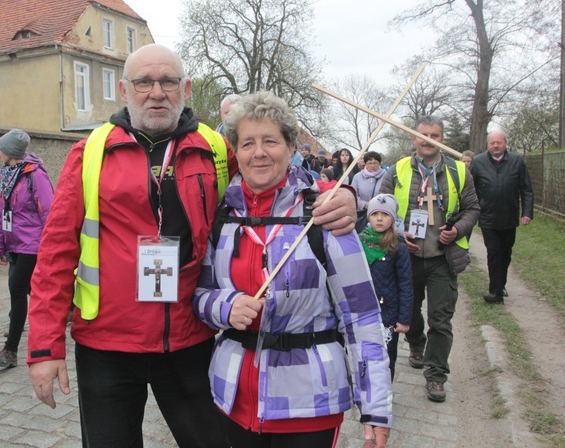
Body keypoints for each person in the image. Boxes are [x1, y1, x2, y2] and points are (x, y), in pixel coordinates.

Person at [26, 44, 358, 447]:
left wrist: (336, 193)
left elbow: (272, 178)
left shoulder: (215, 147)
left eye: (167, 81)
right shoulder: (90, 152)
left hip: (189, 339)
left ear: (185, 87)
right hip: (106, 345)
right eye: (144, 82)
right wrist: (45, 348)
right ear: (123, 89)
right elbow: (55, 253)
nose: (157, 92)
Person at [193, 91, 391, 447]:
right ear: (235, 151)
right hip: (233, 397)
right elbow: (200, 295)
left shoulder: (325, 213)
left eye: (270, 140)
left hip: (310, 403)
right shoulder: (222, 215)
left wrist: (375, 405)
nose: (259, 152)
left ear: (290, 145)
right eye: (248, 142)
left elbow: (362, 316)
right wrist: (225, 306)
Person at [379, 116, 479, 403]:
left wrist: (457, 229)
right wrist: (399, 231)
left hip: (442, 257)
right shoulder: (397, 170)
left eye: (434, 135)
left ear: (442, 139)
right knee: (409, 313)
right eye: (423, 135)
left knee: (441, 318)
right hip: (405, 257)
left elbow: (473, 208)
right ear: (414, 138)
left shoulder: (459, 171)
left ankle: (436, 376)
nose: (427, 140)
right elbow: (380, 209)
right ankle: (416, 343)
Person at [0, 129, 53, 368]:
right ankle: (65, 312)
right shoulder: (7, 177)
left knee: (17, 290)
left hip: (32, 245)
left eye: (0, 148)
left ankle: (10, 350)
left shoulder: (35, 176)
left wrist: (50, 247)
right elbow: (1, 214)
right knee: (30, 290)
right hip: (14, 245)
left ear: (9, 152)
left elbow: (49, 211)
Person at [469, 130, 533, 303]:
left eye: (499, 142)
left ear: (505, 143)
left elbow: (526, 189)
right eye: (492, 143)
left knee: (505, 253)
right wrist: (471, 211)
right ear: (488, 145)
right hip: (488, 217)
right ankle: (495, 291)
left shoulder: (517, 161)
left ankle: (500, 284)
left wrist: (527, 213)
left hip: (509, 216)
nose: (496, 146)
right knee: (494, 252)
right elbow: (470, 188)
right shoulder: (478, 162)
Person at [359, 194, 413, 381]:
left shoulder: (398, 246)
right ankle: (367, 398)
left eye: (385, 214)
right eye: (375, 214)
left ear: (393, 218)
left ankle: (384, 397)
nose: (379, 218)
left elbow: (405, 283)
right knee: (363, 357)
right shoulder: (359, 242)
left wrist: (404, 319)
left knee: (386, 358)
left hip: (387, 313)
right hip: (363, 312)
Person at [352, 151, 387, 232]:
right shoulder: (357, 177)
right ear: (365, 163)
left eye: (375, 163)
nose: (372, 165)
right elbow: (353, 195)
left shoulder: (386, 176)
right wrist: (364, 204)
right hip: (363, 213)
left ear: (379, 163)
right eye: (369, 163)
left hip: (380, 213)